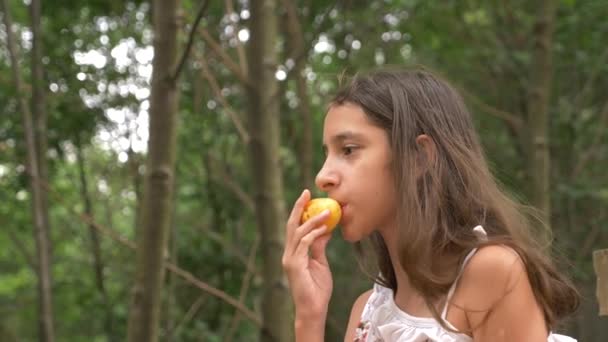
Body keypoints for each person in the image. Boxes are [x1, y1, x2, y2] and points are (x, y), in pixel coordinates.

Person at [281, 67, 580, 341]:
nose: (322, 177)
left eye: (348, 150)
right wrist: (309, 316)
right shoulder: (365, 315)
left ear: (419, 157)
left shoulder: (494, 273)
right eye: (327, 154)